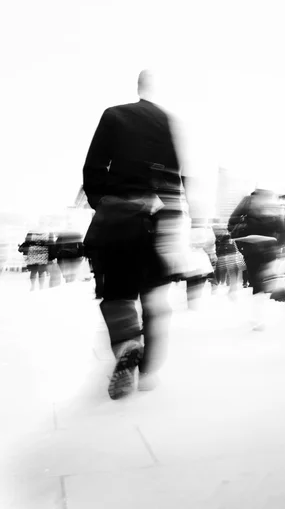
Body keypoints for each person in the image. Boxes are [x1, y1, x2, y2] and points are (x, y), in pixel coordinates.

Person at [83, 70, 188, 399]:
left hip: (116, 220)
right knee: (154, 297)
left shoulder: (114, 115)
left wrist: (103, 202)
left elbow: (94, 167)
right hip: (154, 218)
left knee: (116, 292)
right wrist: (171, 221)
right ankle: (149, 370)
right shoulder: (167, 122)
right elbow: (176, 177)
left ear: (137, 87)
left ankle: (128, 343)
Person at [228, 186, 284, 329]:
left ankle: (259, 317)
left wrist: (241, 239)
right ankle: (260, 316)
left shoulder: (249, 201)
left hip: (253, 247)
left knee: (258, 282)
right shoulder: (270, 201)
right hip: (264, 247)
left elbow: (232, 222)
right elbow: (282, 227)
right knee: (260, 282)